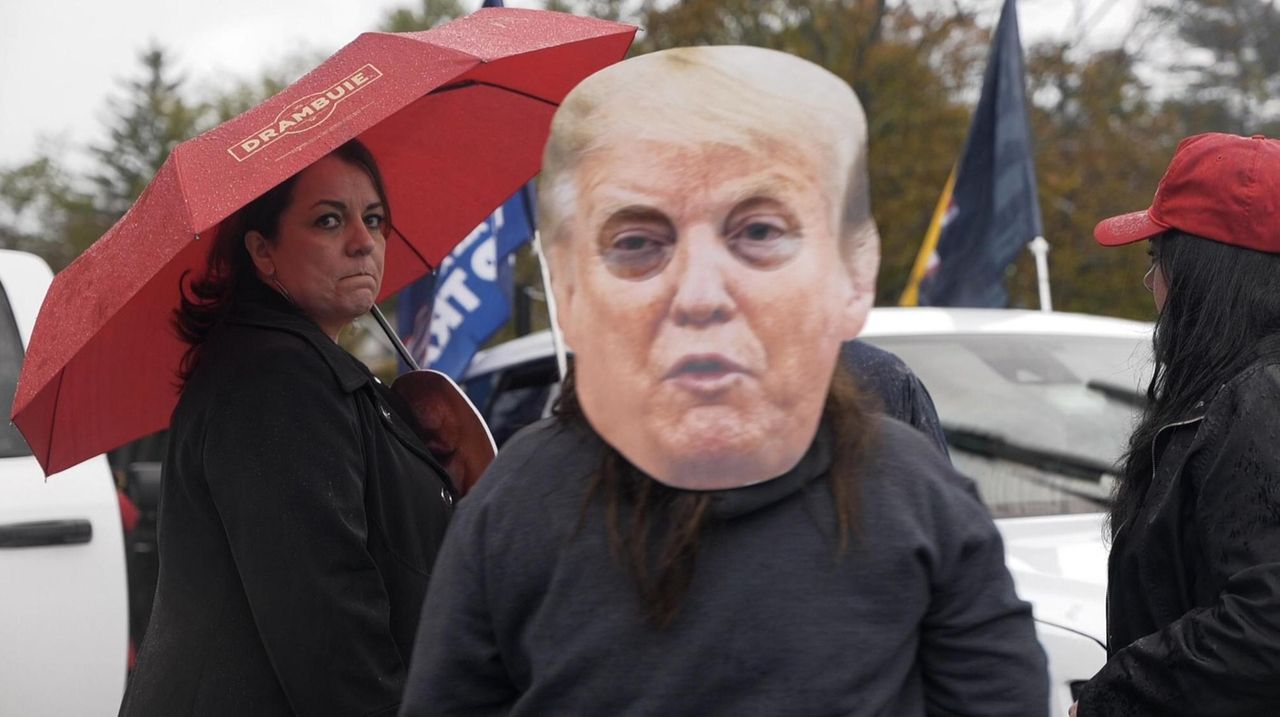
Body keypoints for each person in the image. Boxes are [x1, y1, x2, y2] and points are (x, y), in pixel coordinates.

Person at [401, 46, 1045, 716]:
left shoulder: (916, 492)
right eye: (641, 241)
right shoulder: (514, 506)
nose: (700, 289)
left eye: (756, 231)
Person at [119, 140, 455, 716]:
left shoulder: (317, 373)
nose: (363, 241)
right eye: (329, 220)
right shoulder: (274, 381)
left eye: (373, 219)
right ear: (263, 251)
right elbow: (329, 622)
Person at [1073, 132, 1280, 715]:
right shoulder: (1244, 391)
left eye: (1156, 258)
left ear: (1205, 272)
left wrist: (1118, 693)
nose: (1151, 283)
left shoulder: (1260, 399)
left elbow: (1266, 626)